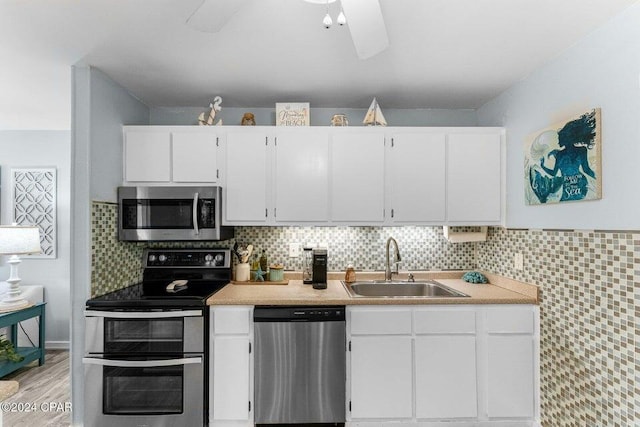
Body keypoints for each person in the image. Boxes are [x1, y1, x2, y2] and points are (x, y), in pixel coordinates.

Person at [539, 110, 597, 202]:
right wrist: (542, 166)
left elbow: (587, 170)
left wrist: (599, 180)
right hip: (567, 189)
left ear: (566, 138)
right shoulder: (560, 154)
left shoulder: (581, 150)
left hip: (581, 186)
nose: (558, 141)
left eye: (560, 138)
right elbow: (554, 173)